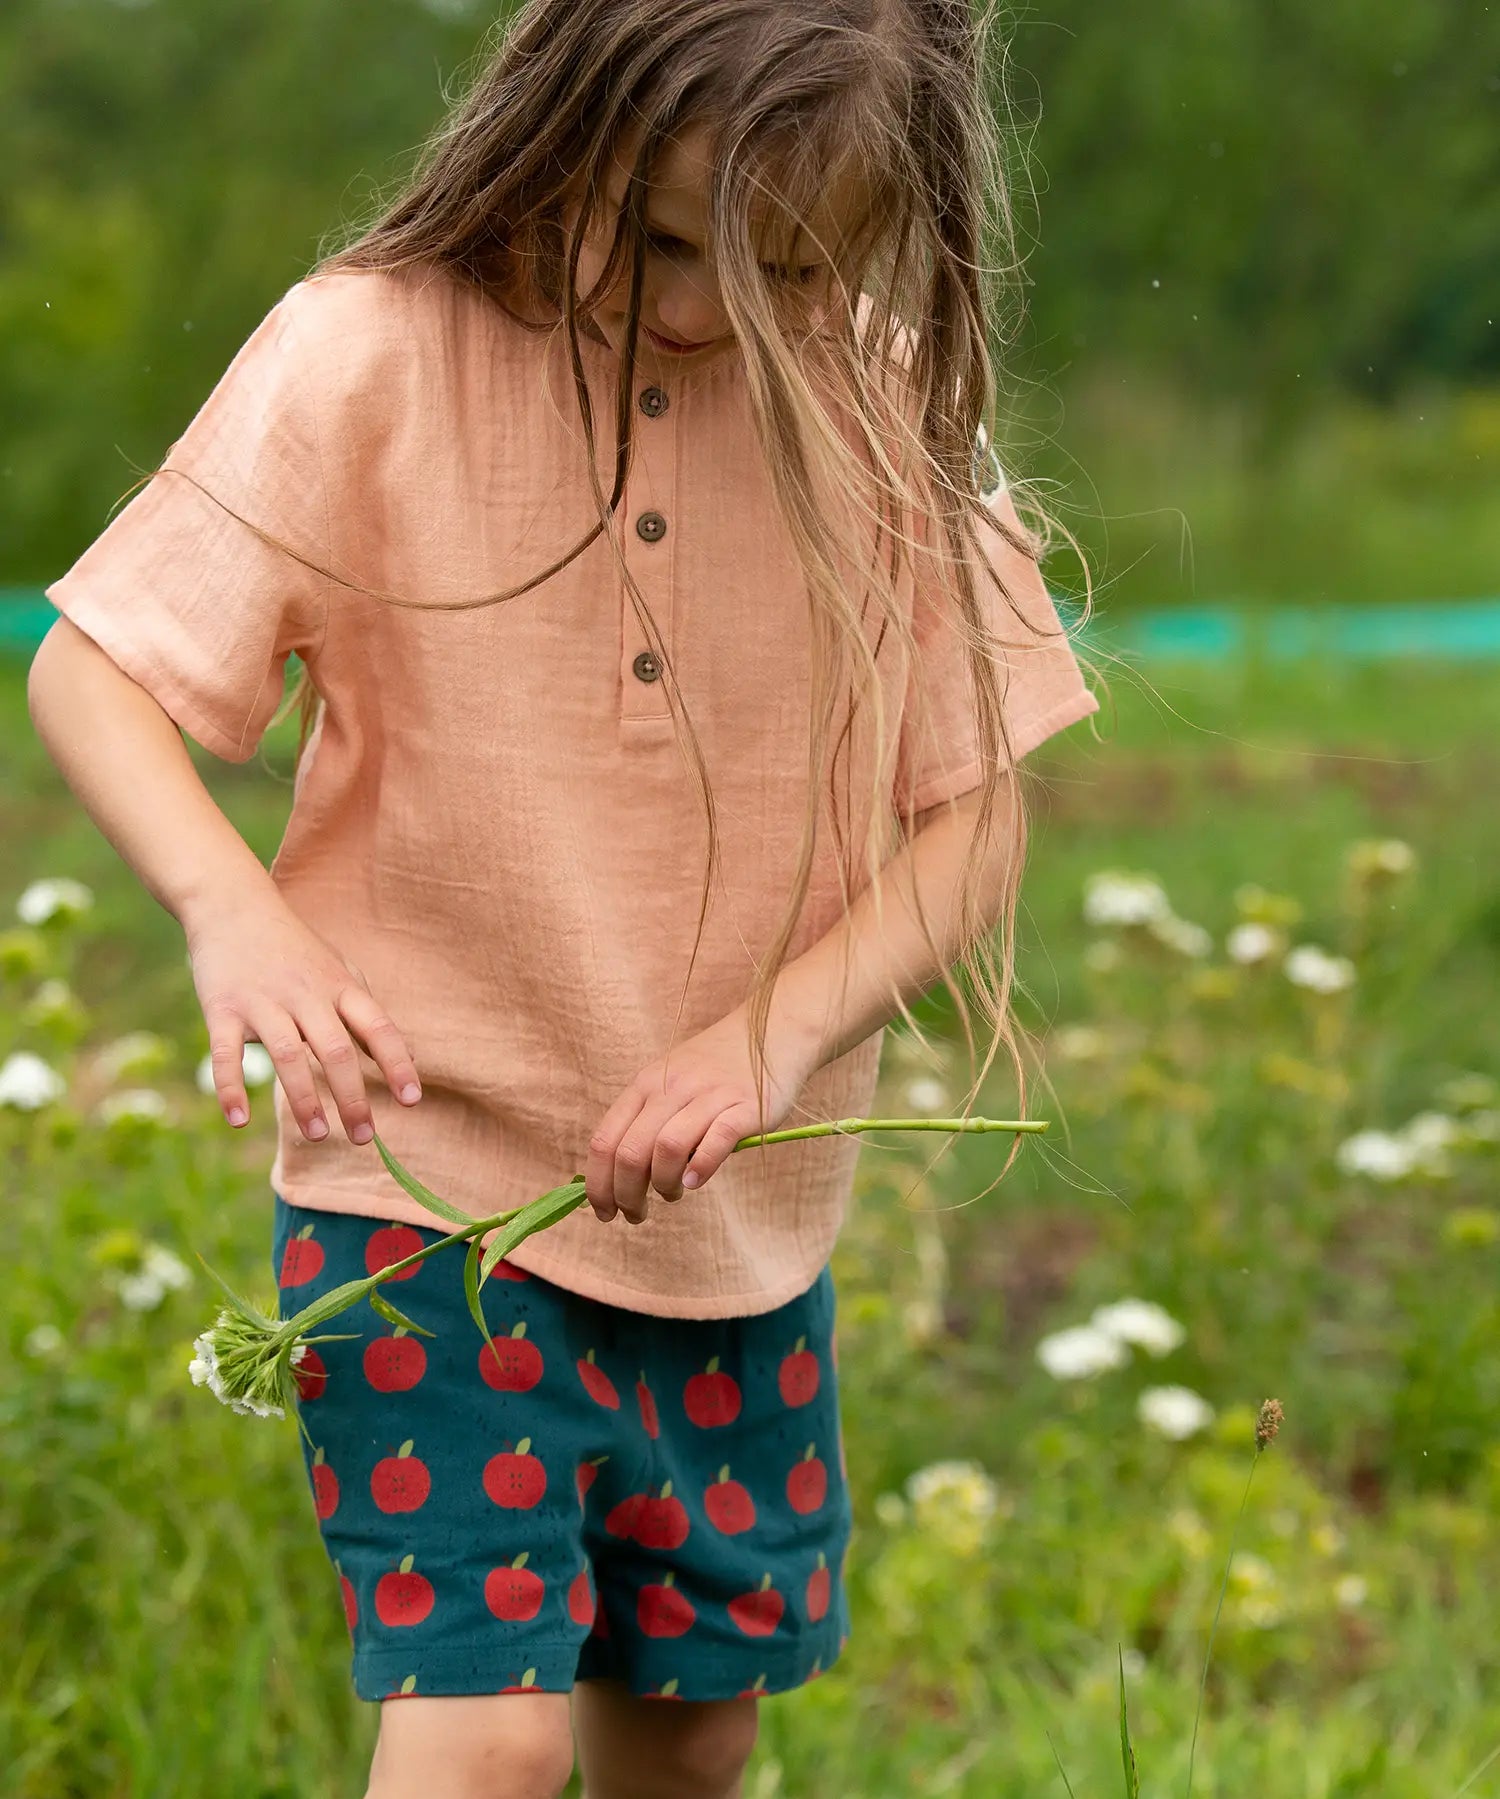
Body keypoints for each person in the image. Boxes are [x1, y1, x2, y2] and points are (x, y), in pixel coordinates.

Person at [27, 1, 1099, 1793]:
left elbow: (973, 827)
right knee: (488, 1744)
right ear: (566, 126)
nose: (703, 310)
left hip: (733, 1228)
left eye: (786, 268)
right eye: (664, 240)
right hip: (420, 1191)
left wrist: (768, 1043)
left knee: (691, 1739)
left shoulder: (878, 397)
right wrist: (233, 909)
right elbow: (95, 672)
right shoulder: (369, 353)